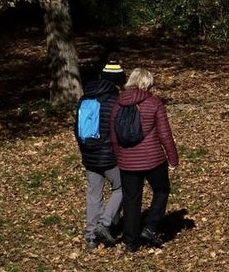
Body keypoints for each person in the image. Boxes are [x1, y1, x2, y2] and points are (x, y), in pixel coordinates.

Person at [110, 67, 179, 252]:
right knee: (162, 190)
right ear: (147, 83)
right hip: (153, 159)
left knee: (131, 200)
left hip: (127, 161)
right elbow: (165, 135)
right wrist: (173, 159)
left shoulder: (118, 103)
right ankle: (150, 227)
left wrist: (120, 156)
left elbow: (113, 135)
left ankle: (131, 243)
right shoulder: (154, 103)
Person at [74, 61, 126, 250]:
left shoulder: (85, 98)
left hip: (89, 155)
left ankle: (90, 237)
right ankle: (104, 224)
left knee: (94, 194)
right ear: (118, 80)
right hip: (109, 156)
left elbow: (76, 130)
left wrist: (85, 151)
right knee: (122, 187)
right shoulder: (115, 101)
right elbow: (118, 130)